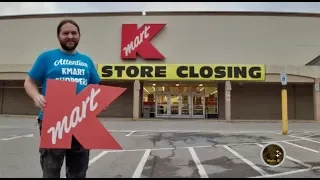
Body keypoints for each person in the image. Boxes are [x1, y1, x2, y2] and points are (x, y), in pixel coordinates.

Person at [24, 19, 101, 178]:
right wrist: (36, 96)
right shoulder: (47, 57)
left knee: (78, 171)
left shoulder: (86, 61)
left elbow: (95, 87)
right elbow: (29, 82)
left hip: (81, 120)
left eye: (74, 33)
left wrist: (98, 100)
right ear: (58, 36)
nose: (70, 36)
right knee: (51, 170)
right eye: (65, 33)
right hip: (53, 121)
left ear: (79, 35)